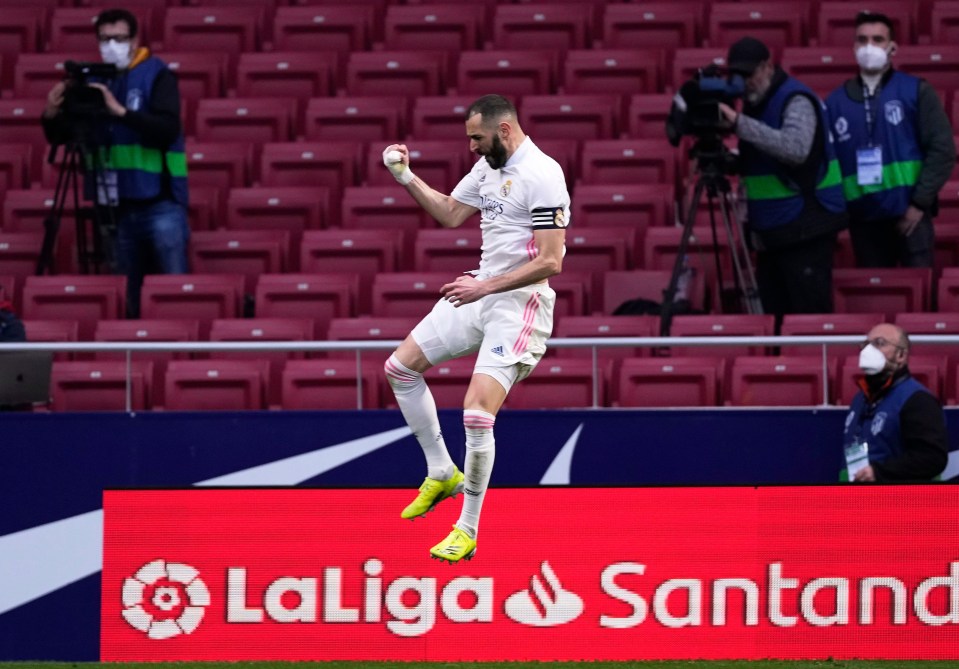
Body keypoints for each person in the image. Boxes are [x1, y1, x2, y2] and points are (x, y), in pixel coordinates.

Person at [381, 94, 569, 563]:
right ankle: (441, 470)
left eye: (477, 137)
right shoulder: (489, 167)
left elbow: (551, 261)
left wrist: (485, 288)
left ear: (504, 130)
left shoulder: (543, 175)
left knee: (476, 414)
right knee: (399, 368)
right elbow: (449, 211)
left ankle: (466, 529)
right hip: (480, 291)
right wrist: (405, 176)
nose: (471, 147)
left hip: (520, 305)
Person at [41, 8, 189, 318]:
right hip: (114, 211)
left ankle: (183, 357)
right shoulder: (91, 81)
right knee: (126, 298)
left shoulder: (157, 74)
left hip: (160, 204)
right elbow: (63, 137)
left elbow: (167, 129)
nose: (111, 46)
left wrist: (119, 111)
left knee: (176, 294)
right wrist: (52, 113)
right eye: (105, 39)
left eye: (119, 38)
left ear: (135, 40)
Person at [718, 36, 848, 326]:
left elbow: (795, 149)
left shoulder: (796, 99)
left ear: (767, 67)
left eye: (748, 74)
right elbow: (765, 159)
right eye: (736, 76)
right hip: (773, 233)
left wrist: (739, 123)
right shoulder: (756, 102)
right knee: (775, 321)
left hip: (805, 229)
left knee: (807, 320)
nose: (744, 83)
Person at [826, 11, 956, 269]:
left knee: (917, 300)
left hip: (911, 216)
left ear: (892, 47)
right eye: (862, 40)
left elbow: (943, 150)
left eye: (878, 39)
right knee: (877, 295)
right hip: (863, 220)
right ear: (853, 47)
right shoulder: (835, 102)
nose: (869, 47)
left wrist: (919, 204)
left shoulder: (916, 91)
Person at [843, 322, 948, 481]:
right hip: (860, 498)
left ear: (901, 355)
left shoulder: (917, 400)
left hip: (900, 500)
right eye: (866, 344)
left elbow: (931, 458)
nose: (868, 350)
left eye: (879, 343)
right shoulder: (860, 399)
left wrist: (879, 473)